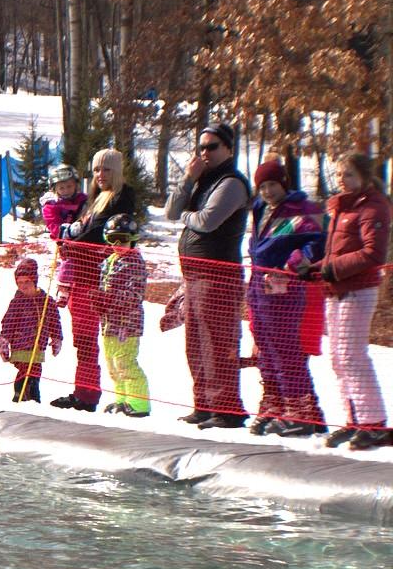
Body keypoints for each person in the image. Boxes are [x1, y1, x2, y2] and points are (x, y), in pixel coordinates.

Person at [298, 153, 392, 450]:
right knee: (338, 358)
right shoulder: (342, 206)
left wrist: (332, 269)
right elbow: (336, 254)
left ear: (364, 177)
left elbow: (372, 254)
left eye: (349, 174)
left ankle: (373, 423)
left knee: (352, 355)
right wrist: (314, 268)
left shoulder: (373, 207)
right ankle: (352, 420)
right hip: (336, 289)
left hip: (358, 289)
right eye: (339, 174)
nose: (342, 179)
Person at [165, 122, 253, 429]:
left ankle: (227, 408)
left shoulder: (231, 182)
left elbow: (206, 221)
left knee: (217, 343)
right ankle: (204, 403)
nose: (205, 153)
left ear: (228, 149)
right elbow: (170, 211)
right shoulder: (202, 180)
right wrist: (189, 178)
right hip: (195, 275)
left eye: (212, 146)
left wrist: (187, 216)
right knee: (196, 343)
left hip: (218, 274)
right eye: (201, 147)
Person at [50, 149, 137, 413]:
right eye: (97, 169)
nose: (101, 175)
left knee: (109, 342)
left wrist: (72, 235)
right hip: (83, 275)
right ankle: (85, 392)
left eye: (107, 169)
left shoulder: (120, 197)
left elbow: (92, 233)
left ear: (117, 171)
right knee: (84, 340)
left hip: (100, 280)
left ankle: (119, 397)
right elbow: (79, 230)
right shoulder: (94, 198)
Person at [246, 158, 327, 438]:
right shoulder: (259, 208)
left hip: (286, 287)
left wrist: (293, 264)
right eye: (262, 186)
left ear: (284, 183)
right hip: (259, 286)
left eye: (271, 185)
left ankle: (301, 411)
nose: (267, 191)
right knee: (265, 349)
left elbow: (316, 244)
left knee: (285, 350)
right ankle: (275, 404)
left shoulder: (302, 209)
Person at [95, 214, 151, 417]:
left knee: (125, 361)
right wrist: (100, 300)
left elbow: (135, 295)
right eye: (112, 240)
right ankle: (122, 399)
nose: (117, 244)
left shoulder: (134, 262)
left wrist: (109, 299)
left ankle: (138, 404)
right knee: (111, 363)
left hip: (126, 323)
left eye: (122, 239)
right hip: (109, 322)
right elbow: (104, 288)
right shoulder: (110, 260)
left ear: (132, 239)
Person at [0, 258, 62, 402]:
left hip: (38, 345)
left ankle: (31, 396)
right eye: (20, 283)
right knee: (26, 370)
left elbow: (54, 322)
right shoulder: (17, 302)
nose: (23, 286)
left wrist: (57, 338)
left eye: (27, 282)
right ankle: (22, 395)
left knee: (35, 371)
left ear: (34, 281)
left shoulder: (46, 301)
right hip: (21, 344)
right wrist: (4, 340)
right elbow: (8, 323)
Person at [40, 164, 86, 243]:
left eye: (69, 186)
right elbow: (53, 225)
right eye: (61, 188)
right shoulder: (51, 206)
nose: (66, 191)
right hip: (64, 244)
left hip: (84, 241)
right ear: (55, 189)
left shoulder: (83, 199)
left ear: (75, 185)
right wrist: (69, 231)